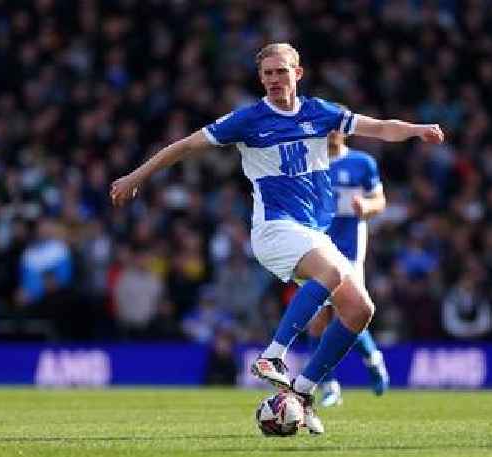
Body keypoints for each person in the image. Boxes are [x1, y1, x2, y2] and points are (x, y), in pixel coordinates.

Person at [111, 43, 444, 434]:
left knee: (359, 309)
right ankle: (273, 355)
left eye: (280, 72)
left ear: (297, 73)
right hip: (275, 228)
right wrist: (136, 176)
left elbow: (380, 127)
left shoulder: (320, 112)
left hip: (310, 231)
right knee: (334, 272)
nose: (273, 80)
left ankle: (301, 394)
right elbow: (185, 146)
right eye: (267, 74)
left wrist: (417, 129)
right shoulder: (248, 120)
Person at [307, 128, 389, 407]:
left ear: (345, 131)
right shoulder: (309, 163)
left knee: (347, 311)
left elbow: (380, 201)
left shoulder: (361, 163)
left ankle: (372, 358)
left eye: (336, 127)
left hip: (350, 252)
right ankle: (329, 385)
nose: (330, 133)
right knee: (316, 318)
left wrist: (366, 207)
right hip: (315, 250)